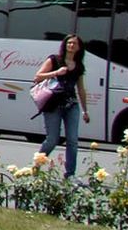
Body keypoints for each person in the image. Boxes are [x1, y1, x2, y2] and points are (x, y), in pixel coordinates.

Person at [34, 34, 91, 176]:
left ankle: (70, 174)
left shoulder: (78, 66)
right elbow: (38, 76)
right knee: (52, 140)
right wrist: (56, 72)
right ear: (65, 45)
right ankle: (36, 166)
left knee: (72, 140)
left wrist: (85, 110)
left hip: (71, 105)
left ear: (79, 48)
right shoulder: (54, 59)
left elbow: (81, 89)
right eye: (69, 43)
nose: (71, 46)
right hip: (53, 105)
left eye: (74, 44)